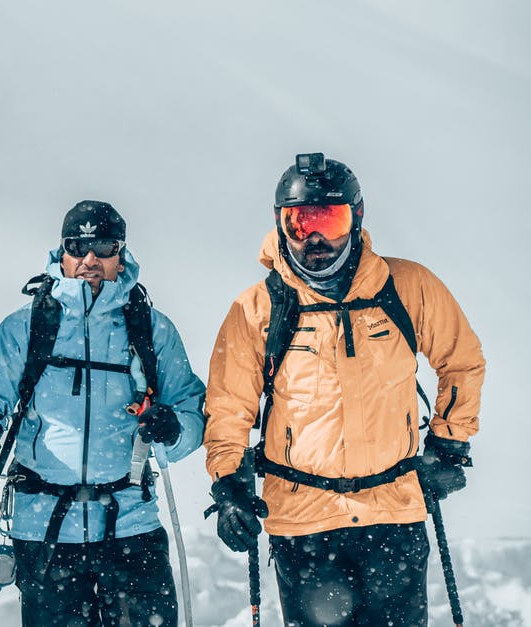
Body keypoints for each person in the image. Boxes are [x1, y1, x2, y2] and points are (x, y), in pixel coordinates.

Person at [203, 153, 485, 626]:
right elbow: (228, 406)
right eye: (298, 222)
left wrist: (450, 444)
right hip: (303, 523)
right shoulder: (258, 308)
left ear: (356, 220)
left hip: (393, 514)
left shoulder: (406, 286)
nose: (313, 238)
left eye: (329, 220)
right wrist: (228, 485)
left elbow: (462, 361)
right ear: (279, 225)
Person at [0, 200, 207, 627]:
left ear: (120, 254)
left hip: (131, 522)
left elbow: (192, 414)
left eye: (104, 246)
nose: (90, 259)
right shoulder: (29, 324)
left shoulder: (148, 327)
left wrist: (172, 428)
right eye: (78, 246)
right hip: (44, 528)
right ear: (62, 252)